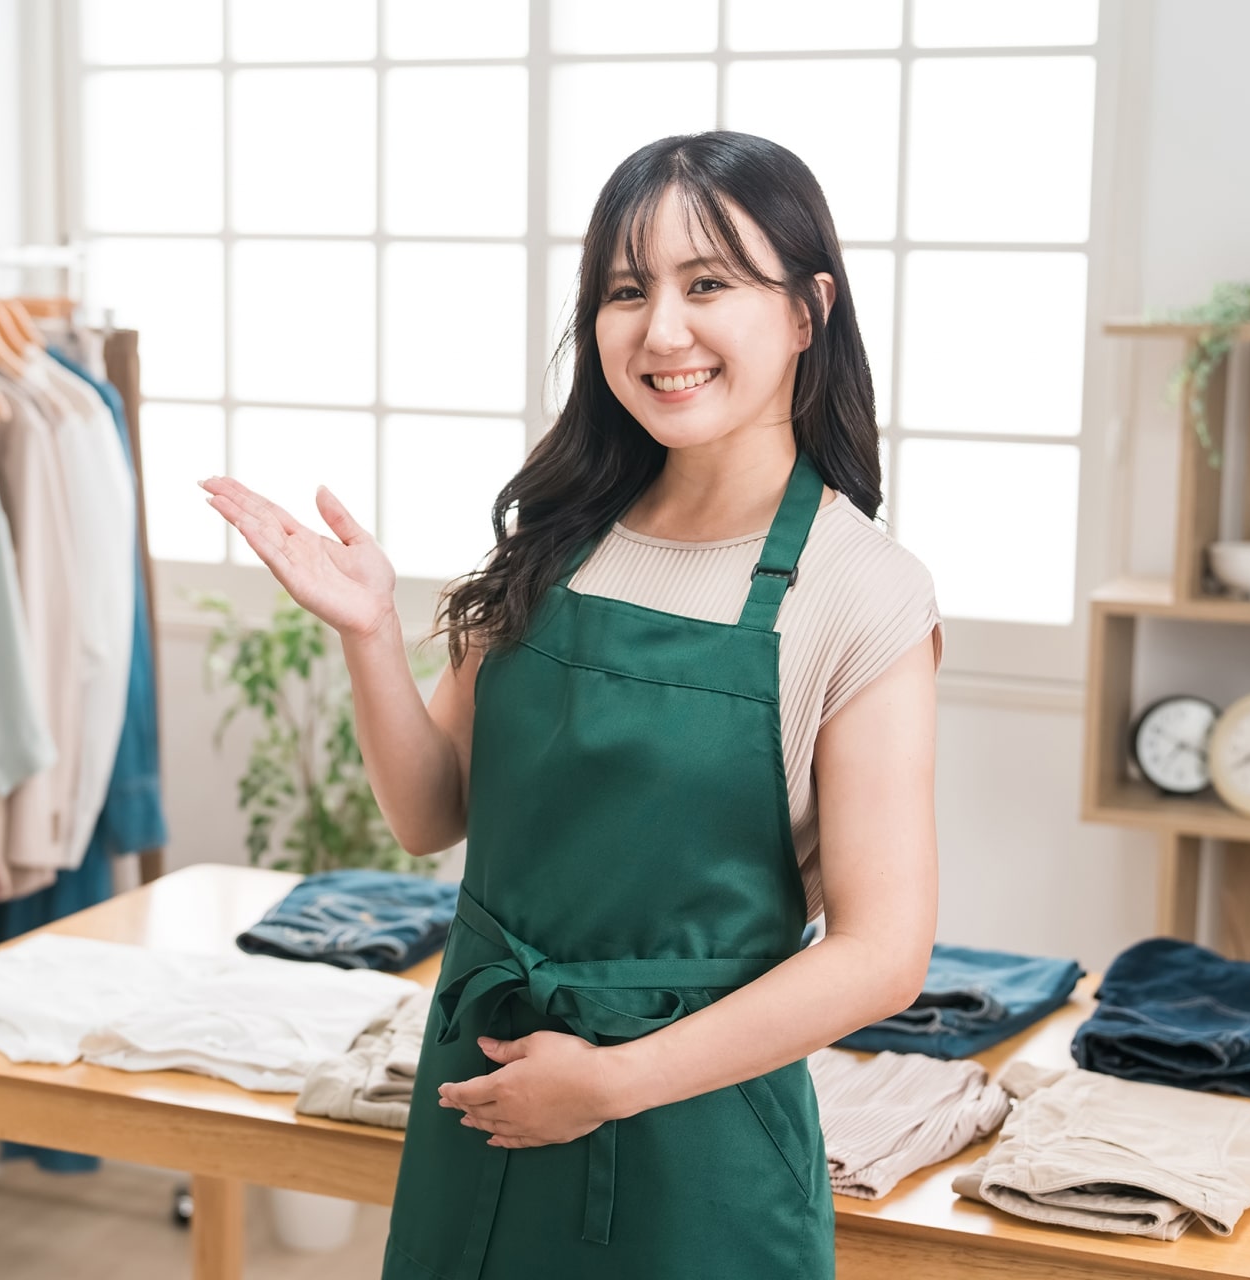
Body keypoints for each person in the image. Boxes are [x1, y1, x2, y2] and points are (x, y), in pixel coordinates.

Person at [201, 131, 939, 1279]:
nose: (663, 330)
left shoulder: (863, 590)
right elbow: (428, 810)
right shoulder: (559, 535)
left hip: (690, 1136)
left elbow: (883, 953)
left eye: (709, 284)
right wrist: (366, 633)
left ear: (807, 311)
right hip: (487, 1094)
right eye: (626, 291)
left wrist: (611, 1082)